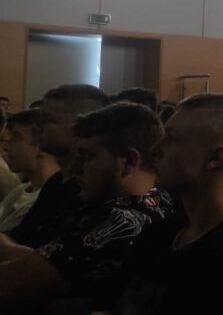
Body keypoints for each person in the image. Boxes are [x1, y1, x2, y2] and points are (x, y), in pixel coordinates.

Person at [0, 103, 172, 312]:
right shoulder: (161, 204)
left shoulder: (125, 219)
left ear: (128, 161)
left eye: (88, 156)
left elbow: (9, 284)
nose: (75, 168)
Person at [7, 85, 110, 248]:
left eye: (46, 120)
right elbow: (21, 238)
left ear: (79, 125)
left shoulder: (91, 190)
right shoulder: (56, 182)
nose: (36, 127)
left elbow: (50, 258)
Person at [0, 110, 58, 233]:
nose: (4, 147)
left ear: (42, 144)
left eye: (15, 138)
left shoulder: (52, 199)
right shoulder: (20, 190)